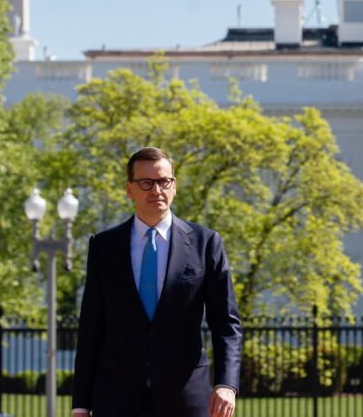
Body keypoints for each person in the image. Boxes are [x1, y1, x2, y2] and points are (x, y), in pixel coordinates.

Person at [72, 147, 242, 417]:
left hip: (185, 398)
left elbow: (226, 323)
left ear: (174, 186)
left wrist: (226, 384)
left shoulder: (206, 243)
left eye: (164, 181)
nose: (156, 190)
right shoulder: (104, 246)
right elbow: (91, 327)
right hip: (116, 399)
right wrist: (81, 403)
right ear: (129, 190)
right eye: (146, 183)